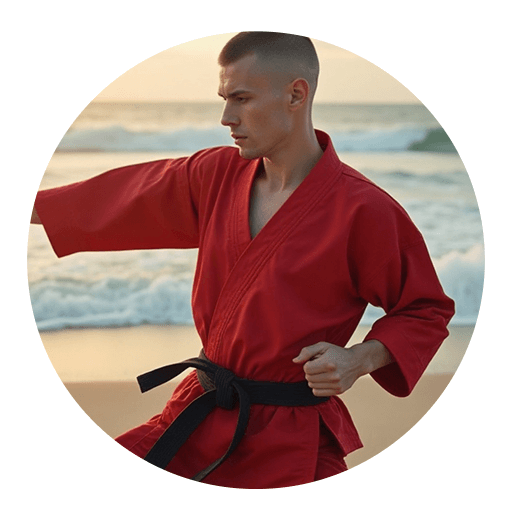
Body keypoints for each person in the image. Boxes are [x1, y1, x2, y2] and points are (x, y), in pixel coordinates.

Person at [31, 32, 455, 488]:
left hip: (290, 444)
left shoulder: (364, 210)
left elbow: (425, 309)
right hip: (198, 414)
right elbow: (115, 199)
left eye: (242, 98)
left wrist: (358, 359)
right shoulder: (214, 176)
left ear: (296, 94)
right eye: (224, 99)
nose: (226, 117)